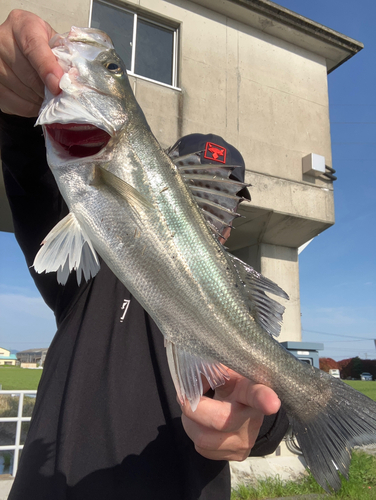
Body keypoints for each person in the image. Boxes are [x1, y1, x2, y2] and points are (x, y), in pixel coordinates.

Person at [0, 10, 289, 500]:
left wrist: (260, 425)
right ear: (165, 184)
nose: (216, 209)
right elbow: (30, 175)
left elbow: (268, 395)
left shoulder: (238, 300)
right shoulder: (91, 268)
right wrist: (13, 109)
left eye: (228, 197)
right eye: (201, 189)